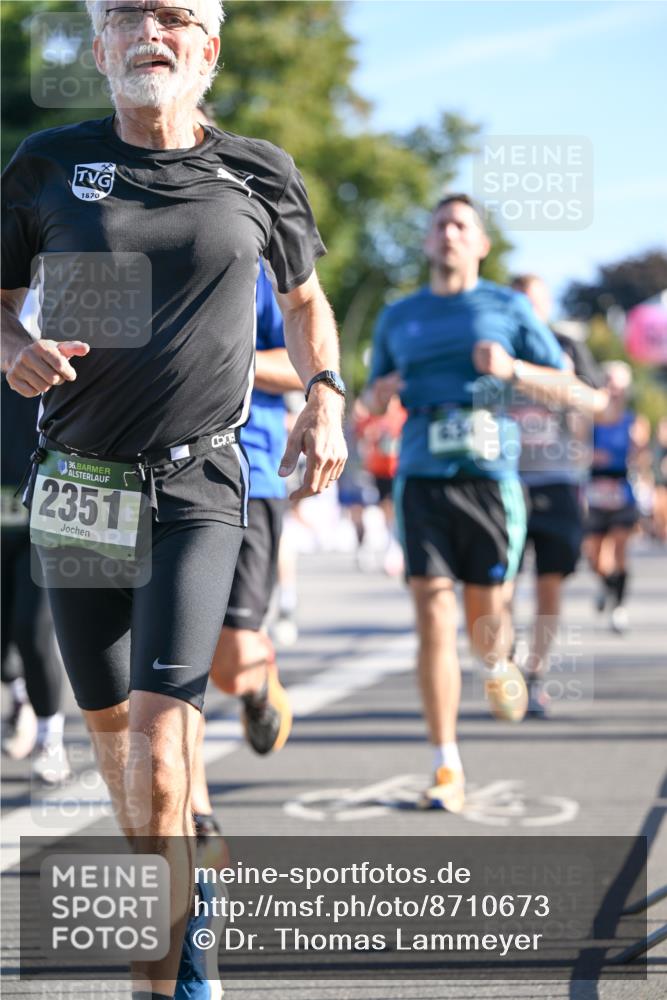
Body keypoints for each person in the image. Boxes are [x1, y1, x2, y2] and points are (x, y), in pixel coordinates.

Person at [1, 2, 347, 997]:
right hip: (76, 487)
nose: (151, 29)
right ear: (100, 47)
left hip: (198, 481)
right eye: (126, 16)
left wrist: (326, 396)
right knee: (118, 743)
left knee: (159, 747)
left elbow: (310, 303)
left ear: (209, 46)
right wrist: (14, 348)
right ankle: (180, 859)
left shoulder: (260, 171)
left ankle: (180, 968)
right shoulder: (44, 163)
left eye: (176, 15)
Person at [365, 194, 604, 814]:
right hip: (421, 475)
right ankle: (447, 761)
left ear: (481, 244)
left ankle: (499, 661)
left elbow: (576, 392)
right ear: (426, 240)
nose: (448, 233)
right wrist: (379, 393)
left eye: (461, 225)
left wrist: (515, 369)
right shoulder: (399, 316)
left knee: (484, 625)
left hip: (490, 480)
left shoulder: (508, 306)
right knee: (432, 618)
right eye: (439, 224)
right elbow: (367, 402)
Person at [190, 260, 302, 837]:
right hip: (147, 477)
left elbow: (302, 359)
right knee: (165, 665)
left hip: (244, 475)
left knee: (228, 663)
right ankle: (198, 815)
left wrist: (229, 362)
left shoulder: (251, 263)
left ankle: (256, 683)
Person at [508, 274, 606, 717]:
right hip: (503, 479)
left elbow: (597, 402)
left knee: (550, 584)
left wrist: (567, 387)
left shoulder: (567, 345)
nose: (529, 311)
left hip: (558, 479)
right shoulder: (495, 344)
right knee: (499, 584)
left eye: (536, 302)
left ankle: (535, 672)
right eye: (520, 302)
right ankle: (506, 666)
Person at [1, 374, 71, 783]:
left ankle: (51, 736)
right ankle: (21, 697)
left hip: (44, 510)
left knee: (32, 628)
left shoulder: (53, 330)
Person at [584, 361, 645, 633]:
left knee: (620, 549)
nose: (614, 390)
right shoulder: (589, 418)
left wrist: (638, 451)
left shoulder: (634, 420)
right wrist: (590, 456)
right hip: (595, 489)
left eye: (619, 386)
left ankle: (618, 607)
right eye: (610, 383)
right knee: (596, 557)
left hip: (622, 489)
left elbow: (642, 457)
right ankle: (606, 586)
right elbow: (576, 449)